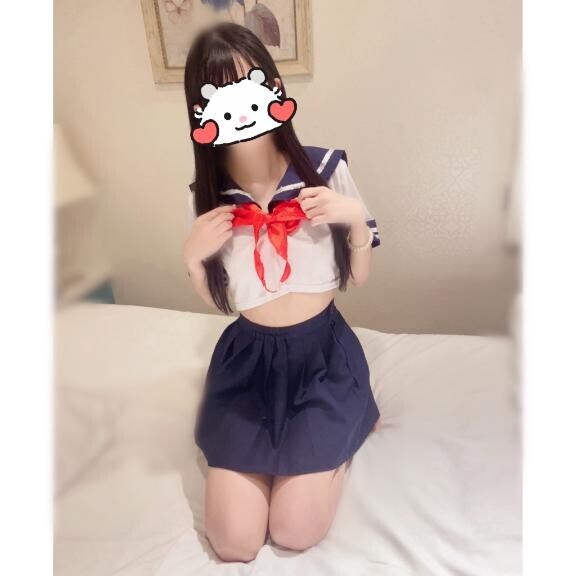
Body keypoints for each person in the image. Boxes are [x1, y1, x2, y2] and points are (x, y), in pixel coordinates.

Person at [182, 22, 382, 562]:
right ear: (202, 110)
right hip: (249, 366)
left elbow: (359, 275)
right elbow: (221, 300)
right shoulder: (207, 197)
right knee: (234, 541)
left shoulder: (325, 170)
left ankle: (348, 423)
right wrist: (192, 258)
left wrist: (354, 219)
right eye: (221, 93)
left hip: (322, 359)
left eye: (249, 86)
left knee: (296, 530)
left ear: (273, 89)